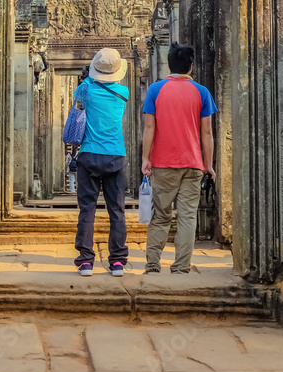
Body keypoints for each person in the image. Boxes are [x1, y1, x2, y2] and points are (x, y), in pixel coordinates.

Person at [141, 42, 217, 274]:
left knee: (161, 216)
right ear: (191, 67)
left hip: (163, 163)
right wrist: (208, 165)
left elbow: (149, 127)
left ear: (169, 65)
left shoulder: (155, 89)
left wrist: (146, 158)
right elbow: (206, 133)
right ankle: (181, 267)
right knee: (187, 217)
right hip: (193, 163)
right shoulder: (202, 92)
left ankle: (153, 265)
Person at [73, 47, 130, 277]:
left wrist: (89, 76)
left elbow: (78, 104)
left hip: (89, 153)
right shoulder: (123, 92)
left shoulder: (85, 88)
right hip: (116, 154)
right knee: (116, 210)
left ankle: (86, 261)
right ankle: (117, 261)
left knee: (87, 209)